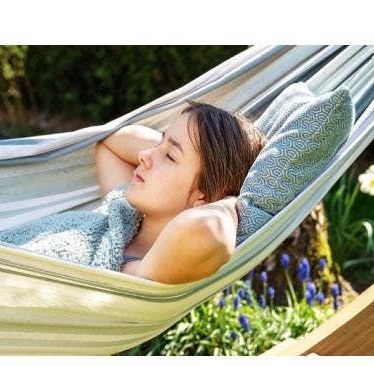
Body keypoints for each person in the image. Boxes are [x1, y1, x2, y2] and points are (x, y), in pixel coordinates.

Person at [95, 101, 265, 284]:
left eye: (170, 156)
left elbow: (208, 229)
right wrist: (170, 146)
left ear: (203, 195)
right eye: (159, 141)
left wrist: (230, 200)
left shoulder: (142, 271)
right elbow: (110, 143)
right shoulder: (121, 211)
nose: (143, 155)